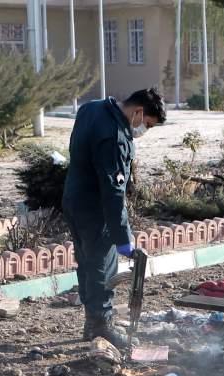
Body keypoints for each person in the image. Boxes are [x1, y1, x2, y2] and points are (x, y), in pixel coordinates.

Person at [62, 87, 166, 349]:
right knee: (101, 267)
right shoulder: (115, 137)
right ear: (138, 112)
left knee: (86, 263)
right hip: (96, 211)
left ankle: (92, 321)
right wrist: (123, 238)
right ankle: (100, 325)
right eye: (147, 125)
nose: (143, 131)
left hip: (73, 200)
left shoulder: (91, 108)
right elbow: (113, 193)